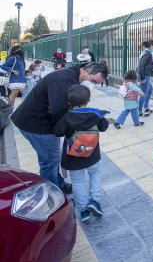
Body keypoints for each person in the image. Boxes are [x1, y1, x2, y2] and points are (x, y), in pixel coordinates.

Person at [11, 62, 108, 193]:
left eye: (97, 83)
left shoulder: (73, 76)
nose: (93, 85)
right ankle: (52, 194)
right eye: (93, 81)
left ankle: (58, 185)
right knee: (50, 160)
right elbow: (57, 110)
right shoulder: (63, 79)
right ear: (87, 70)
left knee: (51, 158)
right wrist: (68, 126)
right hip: (34, 123)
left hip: (41, 121)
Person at [53, 85, 109, 221]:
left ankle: (83, 211)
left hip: (73, 157)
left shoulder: (67, 117)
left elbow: (57, 131)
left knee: (78, 182)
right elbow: (104, 126)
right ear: (88, 100)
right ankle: (94, 201)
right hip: (92, 154)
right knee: (95, 174)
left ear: (69, 103)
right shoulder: (95, 113)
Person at [137, 40, 153, 117]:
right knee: (143, 94)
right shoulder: (147, 54)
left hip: (145, 74)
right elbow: (141, 66)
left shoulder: (147, 52)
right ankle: (139, 111)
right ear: (151, 46)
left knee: (150, 90)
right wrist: (142, 78)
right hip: (144, 75)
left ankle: (146, 107)